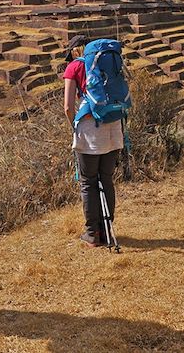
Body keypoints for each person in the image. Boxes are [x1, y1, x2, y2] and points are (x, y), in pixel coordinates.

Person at [62, 35, 124, 248]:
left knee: (88, 182)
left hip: (89, 131)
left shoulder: (73, 68)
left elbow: (68, 107)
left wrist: (74, 126)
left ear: (75, 52)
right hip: (114, 127)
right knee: (106, 179)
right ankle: (107, 232)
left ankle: (92, 234)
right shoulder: (109, 63)